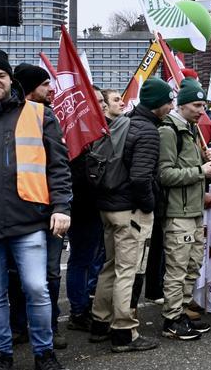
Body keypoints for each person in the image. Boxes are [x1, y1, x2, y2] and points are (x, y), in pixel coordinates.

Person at [0, 50, 72, 370]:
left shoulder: (40, 115)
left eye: (0, 75)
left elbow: (58, 166)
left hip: (29, 222)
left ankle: (44, 355)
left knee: (37, 290)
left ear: (10, 79)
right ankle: (2, 359)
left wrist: (62, 207)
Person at [89, 78, 169, 352]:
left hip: (108, 206)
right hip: (129, 210)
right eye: (169, 101)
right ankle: (123, 330)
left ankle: (99, 322)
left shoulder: (123, 122)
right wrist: (148, 205)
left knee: (110, 265)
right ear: (159, 105)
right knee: (127, 269)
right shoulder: (147, 131)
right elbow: (140, 178)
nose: (171, 106)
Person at [159, 78, 211, 340]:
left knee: (192, 265)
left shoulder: (192, 130)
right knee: (177, 268)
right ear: (182, 105)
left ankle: (181, 312)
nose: (201, 110)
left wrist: (206, 163)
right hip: (178, 212)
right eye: (196, 105)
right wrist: (199, 171)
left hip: (194, 210)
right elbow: (165, 174)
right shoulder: (169, 131)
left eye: (203, 105)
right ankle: (171, 319)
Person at [12, 63, 67, 350]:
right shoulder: (4, 116)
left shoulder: (46, 116)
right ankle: (19, 326)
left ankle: (50, 326)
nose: (51, 89)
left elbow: (58, 164)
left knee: (50, 273)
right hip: (17, 211)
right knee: (15, 274)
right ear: (29, 87)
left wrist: (61, 206)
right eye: (44, 84)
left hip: (47, 210)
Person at [64, 86, 107, 331]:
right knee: (80, 260)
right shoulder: (76, 136)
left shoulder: (96, 131)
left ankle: (86, 304)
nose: (100, 105)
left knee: (92, 259)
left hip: (95, 206)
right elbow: (77, 176)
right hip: (82, 207)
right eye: (97, 101)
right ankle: (78, 310)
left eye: (102, 101)